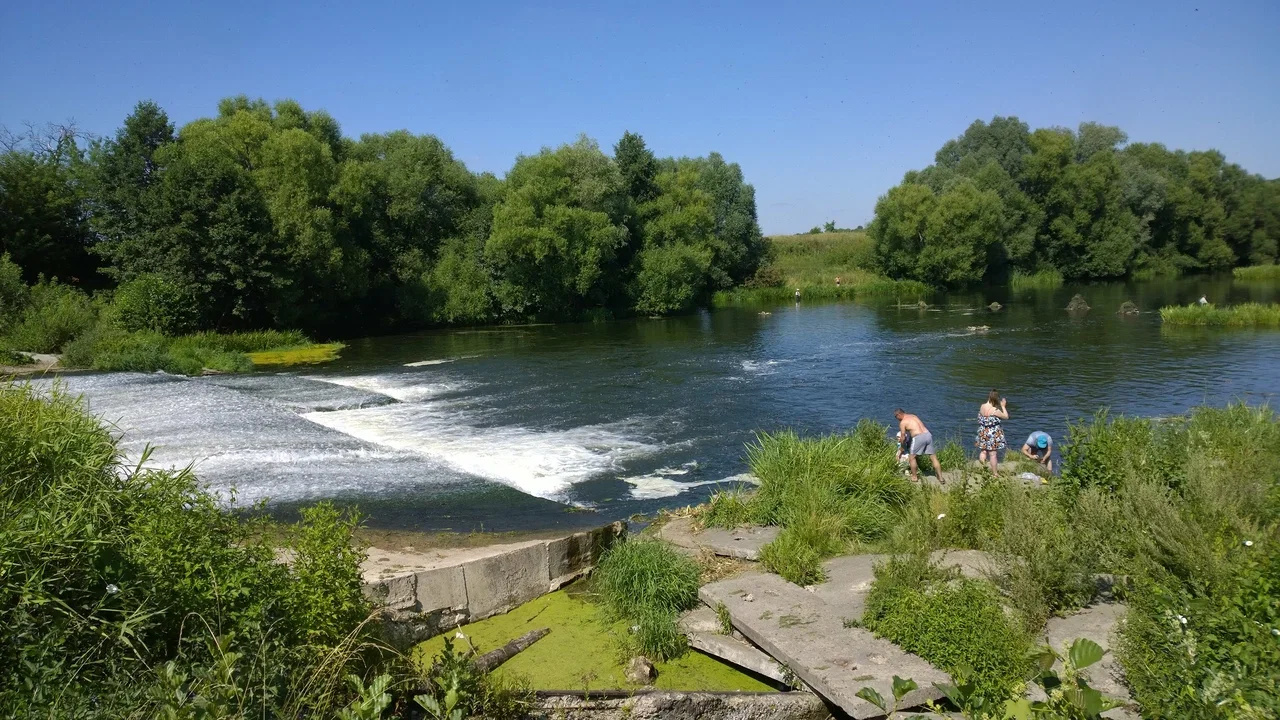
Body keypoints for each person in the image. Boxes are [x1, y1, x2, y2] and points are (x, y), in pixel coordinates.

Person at [895, 409, 944, 484]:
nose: (897, 419)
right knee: (933, 457)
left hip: (918, 437)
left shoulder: (903, 422)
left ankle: (914, 477)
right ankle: (940, 477)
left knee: (912, 458)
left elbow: (903, 437)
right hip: (928, 435)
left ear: (898, 415)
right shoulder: (913, 416)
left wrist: (902, 448)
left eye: (896, 417)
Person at [975, 389, 1009, 474]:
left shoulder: (982, 406)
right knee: (993, 455)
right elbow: (1006, 417)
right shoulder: (995, 411)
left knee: (983, 451)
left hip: (983, 431)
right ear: (996, 399)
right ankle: (995, 474)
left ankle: (983, 470)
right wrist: (1003, 406)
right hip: (992, 434)